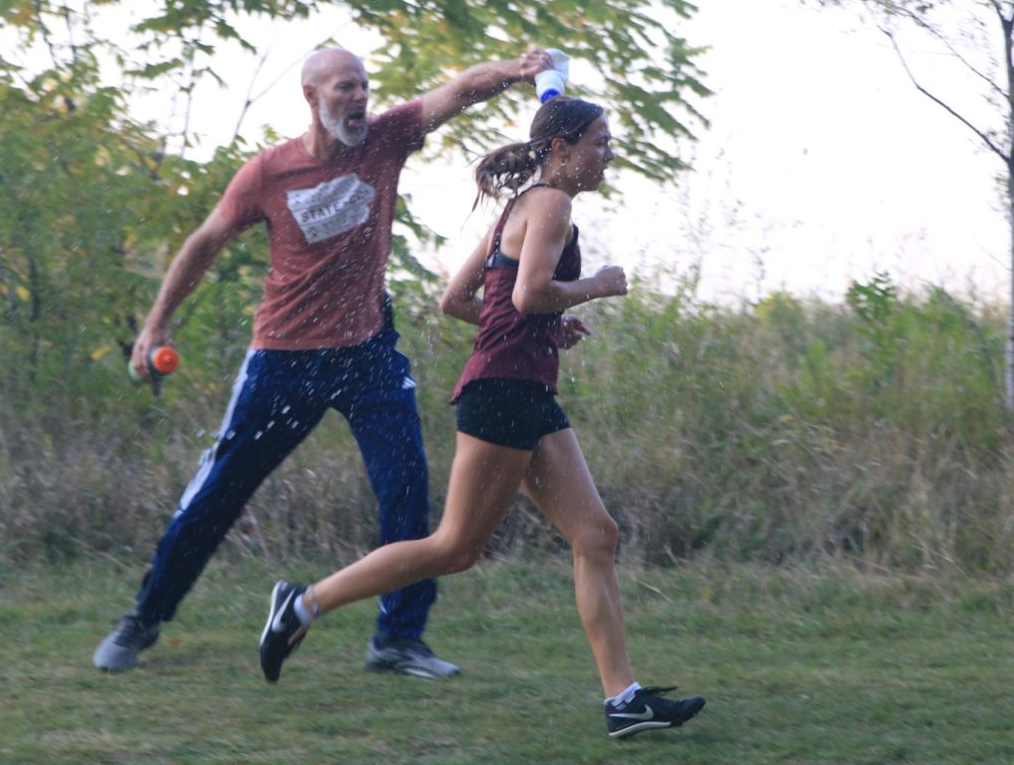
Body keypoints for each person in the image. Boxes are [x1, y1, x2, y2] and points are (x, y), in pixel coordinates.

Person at [94, 46, 557, 678]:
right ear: (313, 97)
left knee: (406, 490)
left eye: (364, 86)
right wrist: (154, 326)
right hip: (283, 361)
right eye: (345, 89)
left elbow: (456, 91)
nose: (360, 98)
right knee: (218, 494)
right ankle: (144, 618)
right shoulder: (267, 173)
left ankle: (397, 640)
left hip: (368, 353)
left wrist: (513, 71)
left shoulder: (388, 137)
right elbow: (203, 243)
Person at [258, 97, 706, 739]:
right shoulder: (551, 204)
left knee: (596, 535)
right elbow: (526, 293)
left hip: (522, 390)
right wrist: (596, 286)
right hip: (502, 393)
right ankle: (300, 604)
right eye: (600, 142)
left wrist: (550, 325)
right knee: (454, 547)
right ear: (562, 148)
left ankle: (624, 700)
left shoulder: (519, 207)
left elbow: (459, 300)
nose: (609, 154)